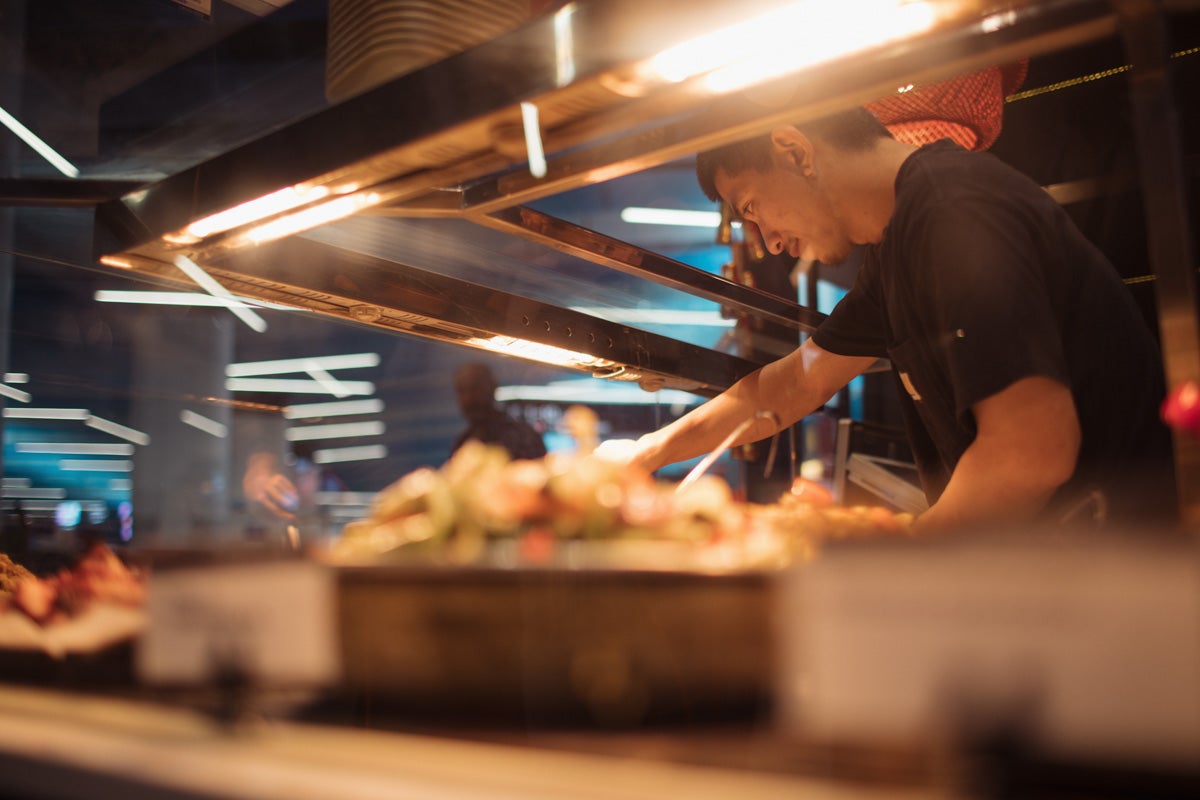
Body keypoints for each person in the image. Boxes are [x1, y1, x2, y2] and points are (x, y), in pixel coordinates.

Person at [598, 106, 1176, 532]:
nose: (767, 242)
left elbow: (1030, 452)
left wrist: (894, 568)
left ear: (795, 151)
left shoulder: (955, 213)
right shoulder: (901, 244)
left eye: (752, 208)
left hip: (1132, 571)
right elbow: (792, 384)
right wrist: (647, 452)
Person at [450, 362, 547, 461]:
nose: (469, 398)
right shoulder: (462, 444)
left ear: (492, 388)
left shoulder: (523, 437)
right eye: (462, 391)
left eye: (475, 388)